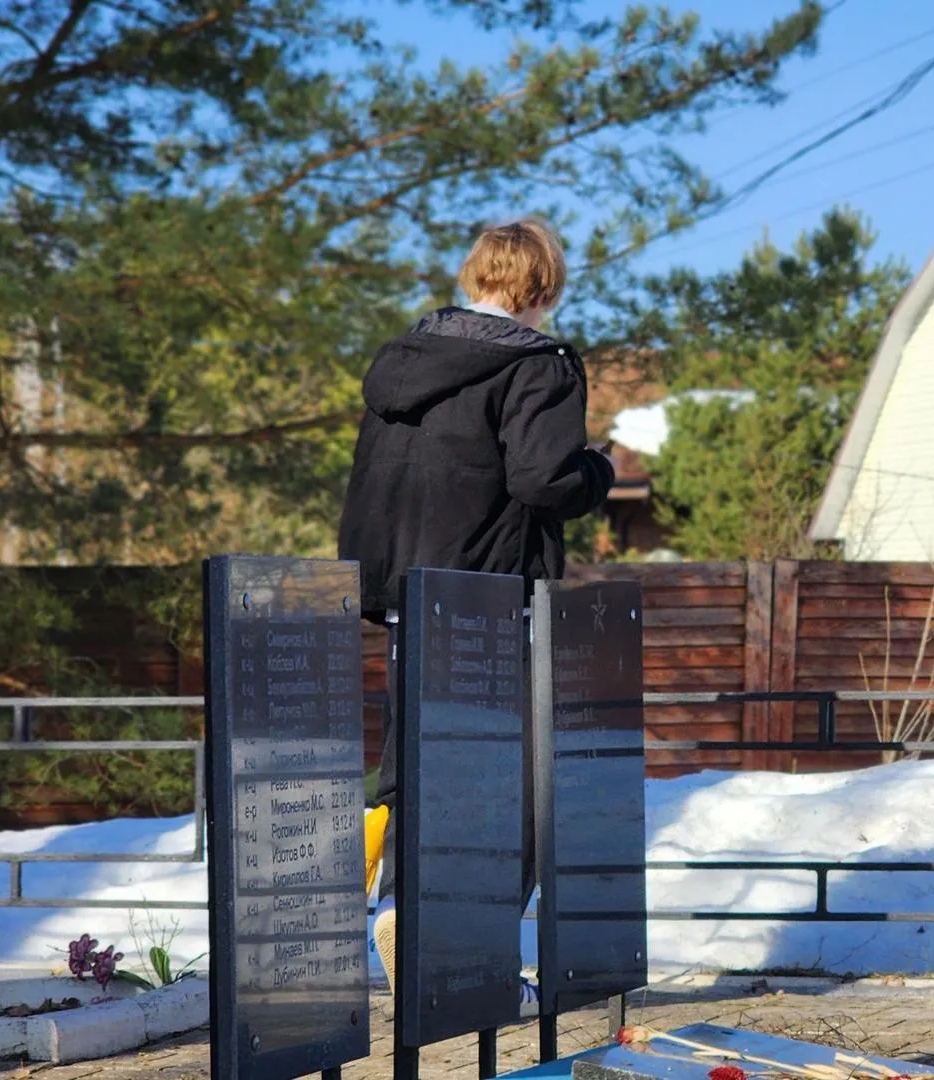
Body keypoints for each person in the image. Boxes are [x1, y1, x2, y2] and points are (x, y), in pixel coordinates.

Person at [336, 218, 615, 1006]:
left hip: (401, 599)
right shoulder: (540, 366)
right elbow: (543, 482)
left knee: (413, 767)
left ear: (475, 275)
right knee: (521, 785)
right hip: (489, 599)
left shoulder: (403, 360)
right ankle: (473, 952)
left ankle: (389, 908)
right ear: (544, 283)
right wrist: (598, 470)